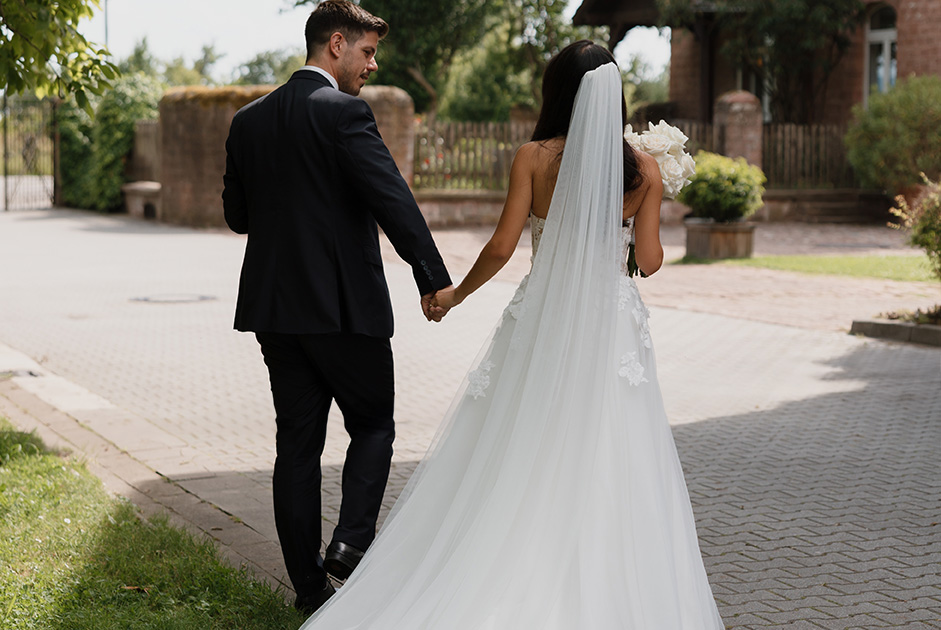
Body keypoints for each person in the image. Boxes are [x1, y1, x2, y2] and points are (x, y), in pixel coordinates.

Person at [296, 39, 725, 629]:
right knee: (611, 440)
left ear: (558, 92)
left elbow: (502, 247)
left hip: (544, 314)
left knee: (523, 435)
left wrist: (453, 294)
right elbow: (648, 263)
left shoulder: (533, 156)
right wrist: (632, 226)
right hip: (611, 325)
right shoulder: (643, 169)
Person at [221, 0, 453, 615]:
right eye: (367, 52)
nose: (371, 66)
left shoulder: (248, 121)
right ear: (335, 45)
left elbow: (237, 217)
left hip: (275, 312)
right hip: (344, 311)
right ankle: (349, 546)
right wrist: (431, 276)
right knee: (373, 425)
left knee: (296, 445)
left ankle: (307, 588)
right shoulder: (344, 113)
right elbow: (391, 199)